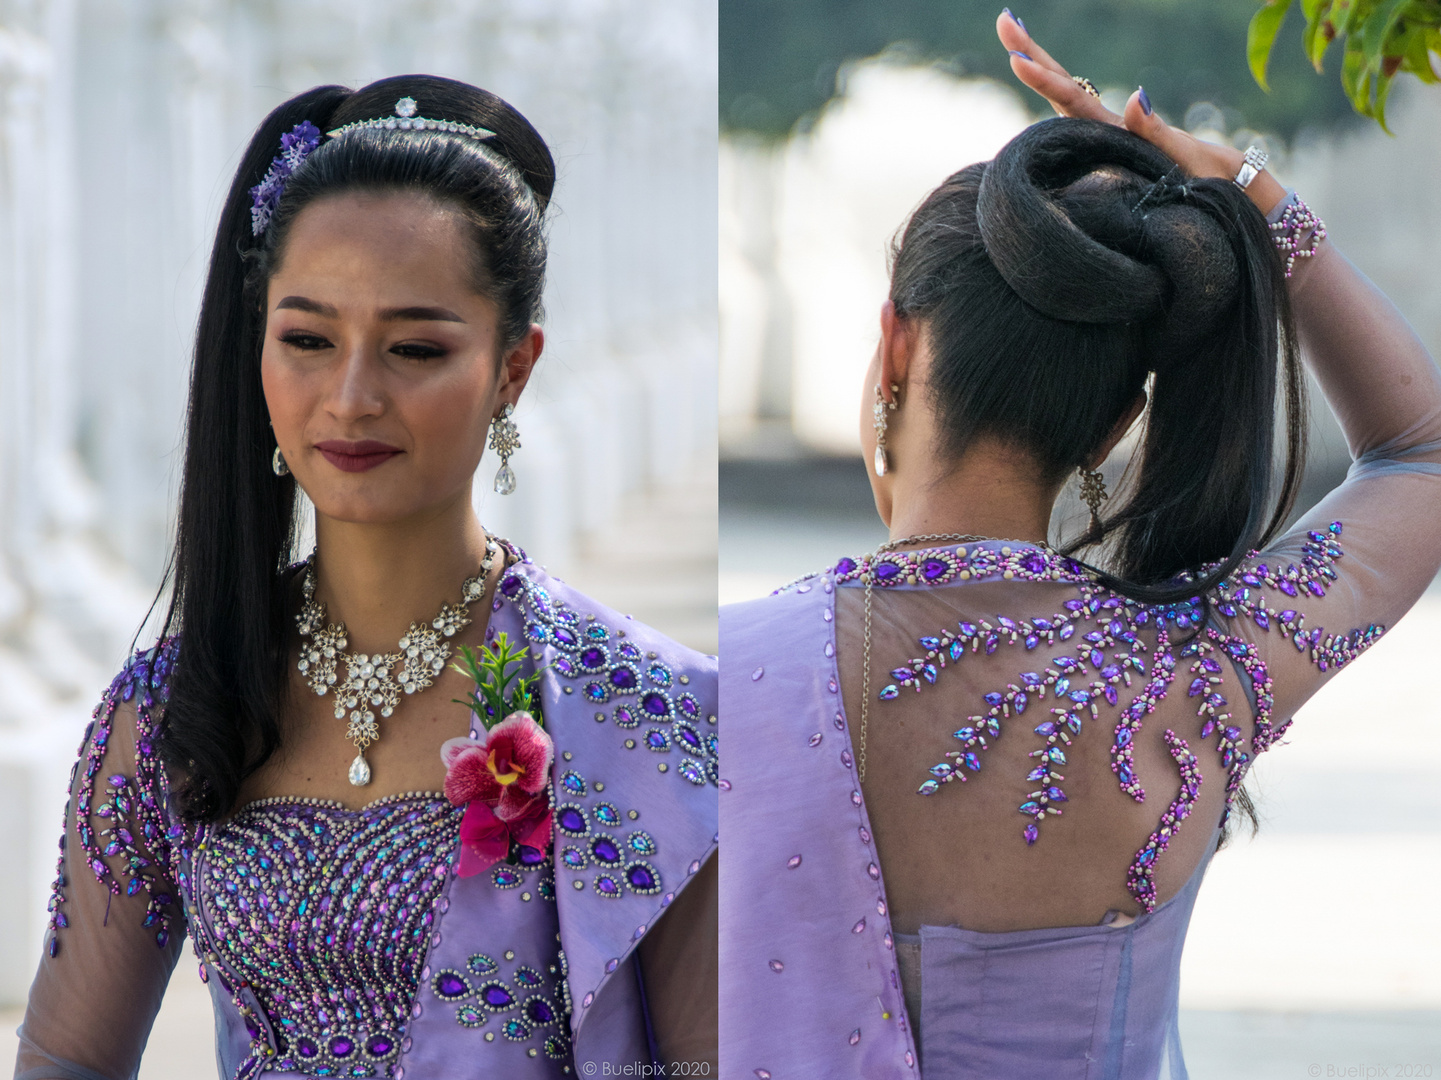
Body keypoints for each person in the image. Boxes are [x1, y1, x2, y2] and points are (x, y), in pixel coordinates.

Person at [718, 13, 1441, 1080]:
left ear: (895, 345)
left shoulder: (718, 677)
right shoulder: (1197, 672)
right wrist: (1250, 194)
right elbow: (1417, 451)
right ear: (1115, 425)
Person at [16, 75, 717, 1080]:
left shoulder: (644, 715)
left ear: (513, 370)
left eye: (415, 349)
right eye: (306, 340)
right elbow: (63, 1057)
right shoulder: (175, 705)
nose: (350, 398)